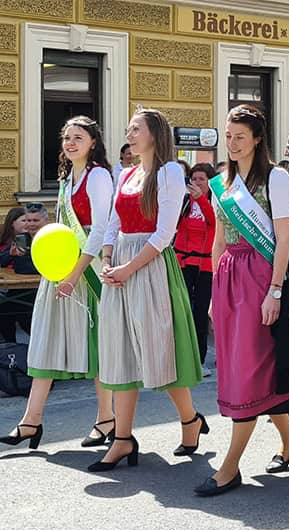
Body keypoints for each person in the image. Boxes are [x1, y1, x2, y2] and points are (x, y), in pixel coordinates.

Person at [194, 104, 289, 496]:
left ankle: (230, 466)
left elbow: (285, 239)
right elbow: (218, 239)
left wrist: (275, 290)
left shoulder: (275, 178)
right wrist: (212, 293)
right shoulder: (222, 182)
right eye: (228, 136)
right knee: (244, 366)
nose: (233, 143)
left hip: (261, 274)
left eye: (240, 136)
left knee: (250, 366)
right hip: (229, 278)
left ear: (258, 139)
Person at [90, 108, 205, 472]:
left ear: (155, 133)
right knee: (120, 350)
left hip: (150, 265)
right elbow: (113, 222)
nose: (130, 134)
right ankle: (123, 438)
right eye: (128, 129)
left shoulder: (170, 172)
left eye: (136, 128)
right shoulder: (125, 173)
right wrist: (108, 259)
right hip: (122, 261)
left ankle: (190, 420)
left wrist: (128, 267)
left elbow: (164, 234)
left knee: (158, 351)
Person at [0, 116, 117, 449]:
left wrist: (75, 274)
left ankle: (106, 418)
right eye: (66, 137)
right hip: (61, 272)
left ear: (93, 142)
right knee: (46, 343)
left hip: (85, 272)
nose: (70, 142)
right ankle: (30, 421)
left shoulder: (99, 177)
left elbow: (101, 231)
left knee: (99, 347)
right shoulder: (67, 179)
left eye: (78, 137)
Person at [173, 162, 217, 367]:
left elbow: (213, 223)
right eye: (194, 179)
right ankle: (183, 356)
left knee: (200, 314)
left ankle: (199, 359)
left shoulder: (214, 201)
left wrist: (202, 199)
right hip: (183, 261)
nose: (197, 183)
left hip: (205, 265)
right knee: (182, 311)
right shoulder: (185, 201)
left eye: (202, 179)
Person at [0, 207, 39, 343]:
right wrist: (10, 254)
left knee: (12, 309)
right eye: (24, 220)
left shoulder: (39, 239)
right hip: (13, 288)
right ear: (12, 223)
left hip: (34, 290)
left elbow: (32, 268)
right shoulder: (11, 240)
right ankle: (8, 347)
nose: (28, 224)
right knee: (2, 309)